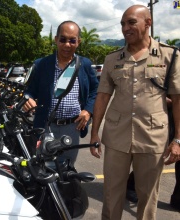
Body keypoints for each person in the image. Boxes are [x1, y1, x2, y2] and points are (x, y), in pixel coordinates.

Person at [90, 5, 180, 220]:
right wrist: (94, 133)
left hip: (152, 137)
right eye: (122, 23)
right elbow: (102, 96)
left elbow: (177, 99)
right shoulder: (113, 59)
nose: (125, 28)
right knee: (112, 194)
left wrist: (177, 139)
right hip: (116, 136)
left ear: (148, 23)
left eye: (131, 22)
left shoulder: (170, 55)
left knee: (148, 197)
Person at [23, 20, 98, 168]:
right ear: (56, 40)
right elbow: (29, 90)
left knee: (67, 168)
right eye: (63, 39)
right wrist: (28, 98)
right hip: (46, 125)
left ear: (78, 42)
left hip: (73, 126)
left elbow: (95, 90)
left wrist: (88, 110)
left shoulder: (85, 64)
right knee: (43, 166)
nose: (67, 44)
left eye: (72, 40)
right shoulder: (41, 64)